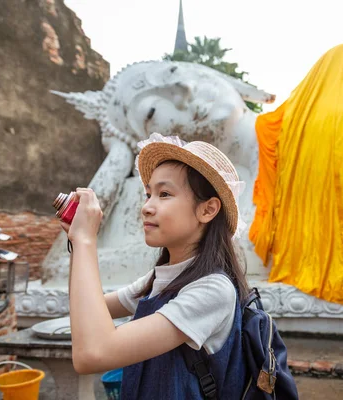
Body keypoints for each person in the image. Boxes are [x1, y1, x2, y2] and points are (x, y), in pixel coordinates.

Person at [61, 133, 250, 399]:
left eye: (164, 194)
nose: (147, 207)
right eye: (148, 194)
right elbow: (85, 307)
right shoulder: (161, 279)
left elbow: (93, 354)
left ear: (207, 210)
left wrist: (86, 240)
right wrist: (76, 242)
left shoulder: (213, 290)